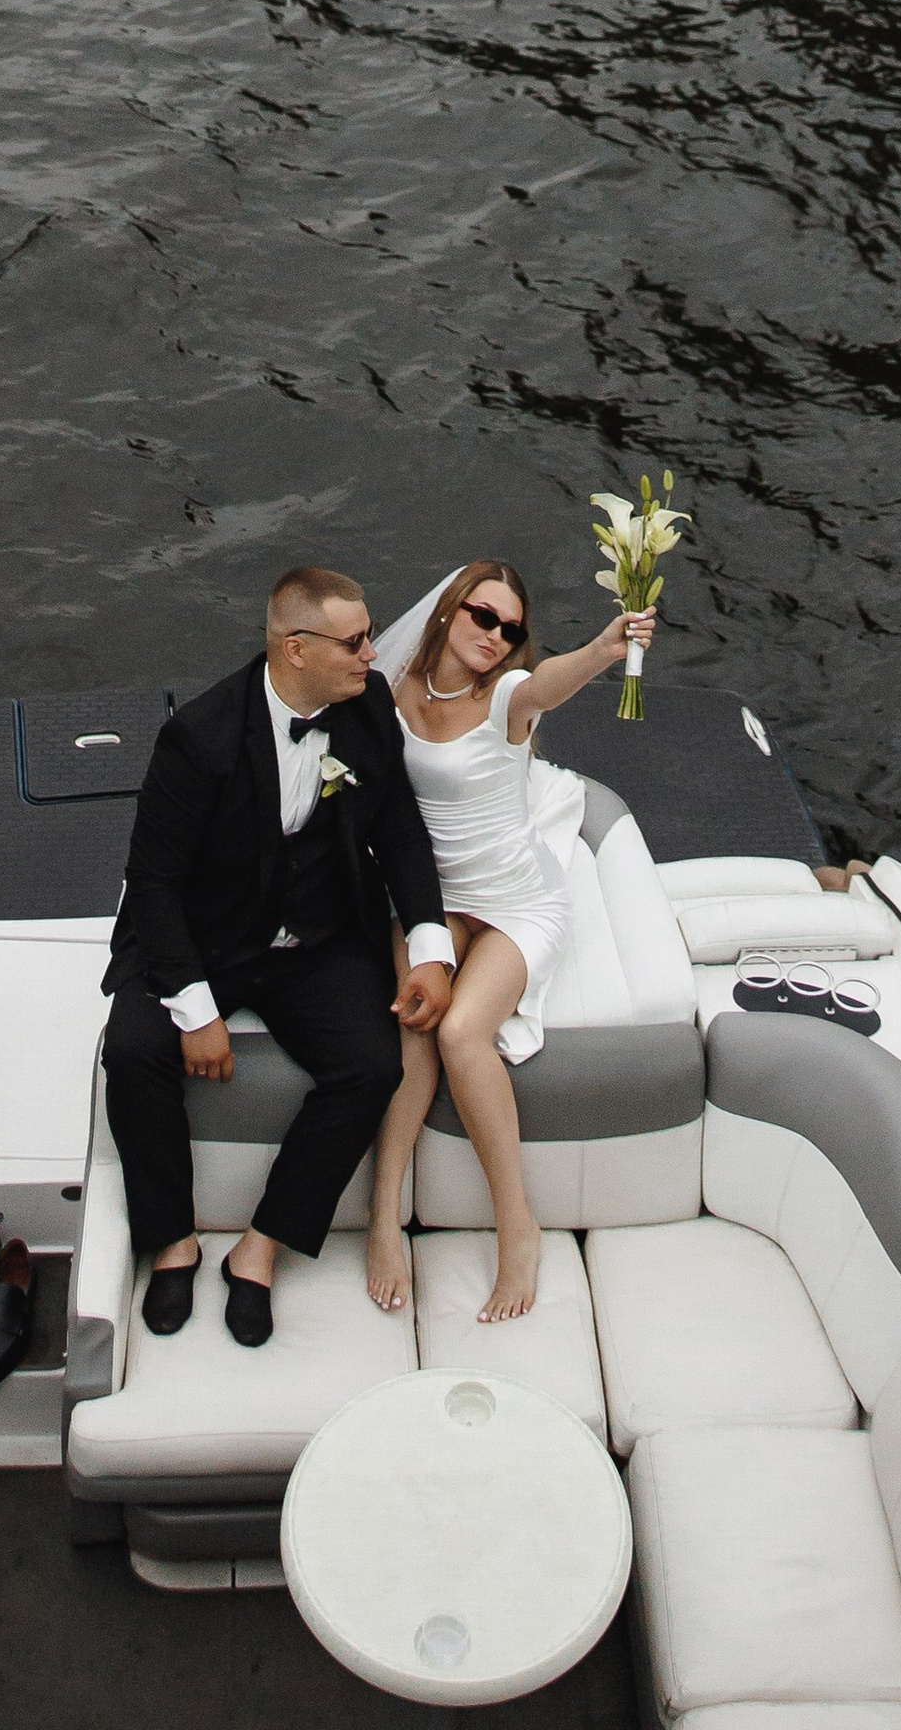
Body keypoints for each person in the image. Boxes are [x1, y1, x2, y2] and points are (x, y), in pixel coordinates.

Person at [101, 566, 453, 1348]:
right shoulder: (200, 737)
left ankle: (262, 1248)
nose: (372, 654)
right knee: (131, 1051)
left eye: (368, 637)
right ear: (296, 648)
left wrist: (430, 949)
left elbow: (398, 832)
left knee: (372, 1065)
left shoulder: (365, 712)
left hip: (314, 943)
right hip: (207, 940)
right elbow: (153, 884)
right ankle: (174, 1240)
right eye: (356, 641)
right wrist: (194, 1010)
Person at [363, 561, 653, 1325]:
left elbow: (549, 683)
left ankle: (516, 1227)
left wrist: (603, 649)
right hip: (433, 898)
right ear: (450, 611)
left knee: (463, 1031)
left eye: (512, 629)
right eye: (485, 618)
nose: (497, 637)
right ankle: (383, 1216)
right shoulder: (394, 693)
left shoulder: (507, 701)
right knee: (414, 1026)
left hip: (518, 901)